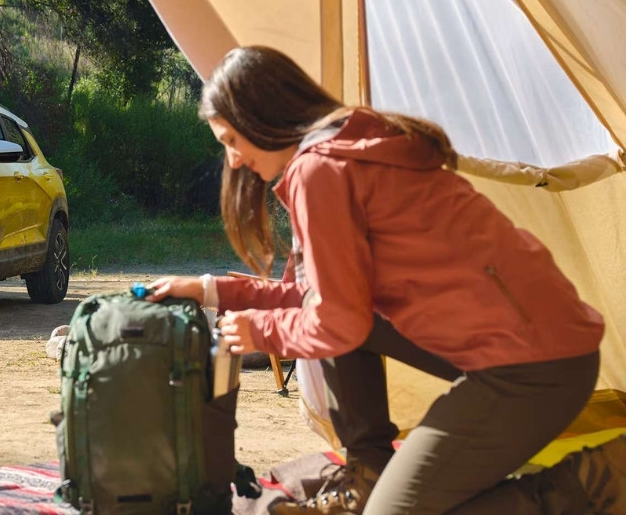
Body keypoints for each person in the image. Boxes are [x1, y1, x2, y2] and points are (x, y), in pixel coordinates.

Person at [147, 46, 623, 514]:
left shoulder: (323, 169)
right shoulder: (347, 145)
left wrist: (260, 330)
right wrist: (212, 290)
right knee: (333, 315)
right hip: (534, 341)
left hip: (534, 366)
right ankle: (368, 472)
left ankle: (595, 481)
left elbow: (337, 321)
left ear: (261, 115)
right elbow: (325, 296)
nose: (232, 160)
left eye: (232, 140)